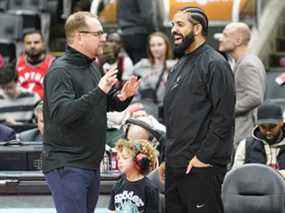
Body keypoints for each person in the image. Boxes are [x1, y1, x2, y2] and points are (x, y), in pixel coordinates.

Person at [43, 12, 140, 213]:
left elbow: (99, 104)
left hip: (89, 163)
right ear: (79, 36)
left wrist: (122, 97)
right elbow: (63, 114)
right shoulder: (60, 71)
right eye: (98, 33)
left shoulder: (92, 66)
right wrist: (100, 91)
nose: (104, 38)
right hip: (67, 163)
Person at [164, 7, 235, 213]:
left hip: (201, 166)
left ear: (196, 28)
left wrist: (203, 158)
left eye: (179, 25)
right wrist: (166, 159)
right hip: (175, 164)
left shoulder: (215, 64)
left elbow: (224, 117)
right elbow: (173, 117)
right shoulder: (179, 65)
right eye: (172, 25)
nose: (173, 30)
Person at [218, 22, 266, 149]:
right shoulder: (244, 62)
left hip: (244, 133)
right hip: (242, 132)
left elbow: (254, 97)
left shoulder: (247, 64)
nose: (220, 38)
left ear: (238, 40)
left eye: (225, 35)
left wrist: (225, 110)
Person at [232, 103, 285, 177]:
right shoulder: (245, 145)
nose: (268, 131)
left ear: (281, 122)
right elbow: (236, 175)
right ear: (257, 124)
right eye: (263, 127)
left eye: (272, 127)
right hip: (253, 187)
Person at [133, 32, 176, 120]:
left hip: (167, 113)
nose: (156, 48)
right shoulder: (141, 65)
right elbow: (132, 91)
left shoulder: (175, 66)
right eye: (152, 45)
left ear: (167, 46)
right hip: (144, 111)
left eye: (159, 45)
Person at [108, 139, 159, 212]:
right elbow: (113, 210)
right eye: (118, 158)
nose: (120, 161)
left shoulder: (149, 188)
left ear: (139, 162)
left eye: (125, 158)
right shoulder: (117, 185)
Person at [16, 30, 55, 99]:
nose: (32, 46)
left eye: (36, 42)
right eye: (28, 43)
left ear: (43, 44)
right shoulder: (17, 63)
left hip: (44, 106)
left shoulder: (53, 63)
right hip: (21, 106)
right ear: (24, 45)